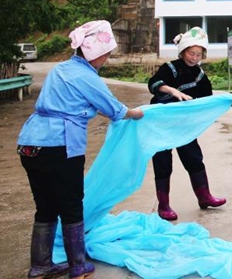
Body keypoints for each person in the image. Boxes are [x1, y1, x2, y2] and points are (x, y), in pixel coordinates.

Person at [17, 20, 144, 279]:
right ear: (95, 55)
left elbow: (70, 103)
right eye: (106, 55)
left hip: (30, 143)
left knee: (45, 206)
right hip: (60, 144)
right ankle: (78, 266)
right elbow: (115, 110)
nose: (106, 60)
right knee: (71, 204)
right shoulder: (87, 77)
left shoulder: (59, 69)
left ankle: (40, 265)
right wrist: (136, 113)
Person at [148, 26, 226, 221]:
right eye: (191, 53)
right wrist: (173, 91)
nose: (194, 57)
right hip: (162, 124)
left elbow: (208, 99)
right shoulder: (170, 68)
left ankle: (204, 196)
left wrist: (227, 103)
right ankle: (163, 205)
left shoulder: (200, 76)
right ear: (183, 51)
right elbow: (154, 84)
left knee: (193, 158)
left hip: (184, 125)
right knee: (163, 162)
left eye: (199, 54)